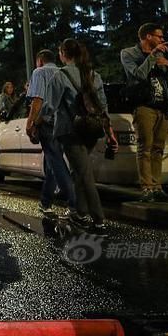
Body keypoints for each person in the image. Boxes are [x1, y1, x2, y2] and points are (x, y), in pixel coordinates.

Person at [40, 39, 112, 232]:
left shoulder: (60, 75)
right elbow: (103, 105)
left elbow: (49, 106)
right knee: (79, 171)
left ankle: (98, 221)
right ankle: (78, 213)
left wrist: (38, 120)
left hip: (70, 131)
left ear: (63, 53)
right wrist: (109, 130)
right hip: (92, 130)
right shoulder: (93, 74)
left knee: (84, 174)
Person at [121, 23, 168, 202]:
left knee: (158, 148)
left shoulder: (160, 54)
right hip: (144, 105)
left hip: (162, 105)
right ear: (148, 37)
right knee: (145, 147)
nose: (162, 40)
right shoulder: (129, 53)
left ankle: (157, 186)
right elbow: (138, 74)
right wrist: (152, 57)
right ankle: (147, 188)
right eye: (159, 36)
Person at [25, 49, 77, 218]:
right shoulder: (63, 72)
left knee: (56, 162)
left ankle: (74, 204)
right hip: (65, 123)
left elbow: (38, 99)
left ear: (40, 60)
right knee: (51, 163)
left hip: (47, 123)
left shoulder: (39, 72)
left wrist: (31, 122)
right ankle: (45, 202)